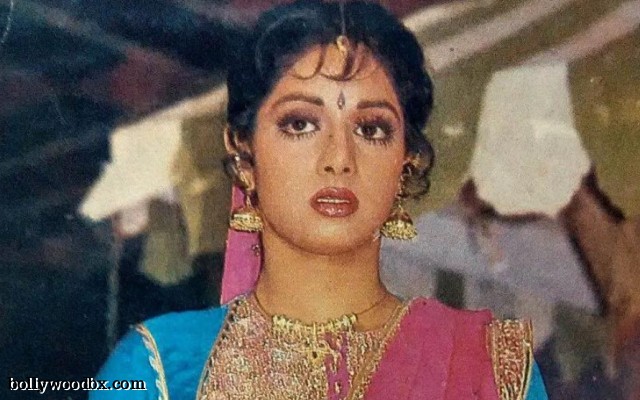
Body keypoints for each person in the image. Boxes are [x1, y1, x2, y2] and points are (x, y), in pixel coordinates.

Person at [92, 1, 547, 399]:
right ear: (244, 151)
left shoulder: (494, 370)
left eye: (371, 129)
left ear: (406, 163)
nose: (338, 159)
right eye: (300, 124)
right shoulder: (159, 368)